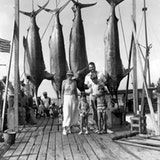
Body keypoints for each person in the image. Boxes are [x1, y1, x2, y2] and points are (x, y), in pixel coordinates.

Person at [85, 62, 107, 132]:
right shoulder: (87, 76)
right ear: (89, 68)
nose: (92, 68)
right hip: (93, 97)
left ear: (95, 66)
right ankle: (98, 127)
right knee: (95, 113)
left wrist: (102, 89)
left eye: (92, 67)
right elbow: (87, 87)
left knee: (103, 113)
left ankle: (104, 127)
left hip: (100, 98)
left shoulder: (100, 74)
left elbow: (105, 83)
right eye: (90, 67)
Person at [61, 70, 79, 135]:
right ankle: (65, 127)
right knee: (67, 112)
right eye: (68, 75)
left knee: (73, 112)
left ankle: (71, 127)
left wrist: (77, 100)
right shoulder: (64, 82)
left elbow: (76, 92)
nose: (70, 76)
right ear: (67, 75)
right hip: (66, 97)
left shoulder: (74, 82)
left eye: (71, 75)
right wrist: (62, 100)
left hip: (73, 97)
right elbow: (62, 92)